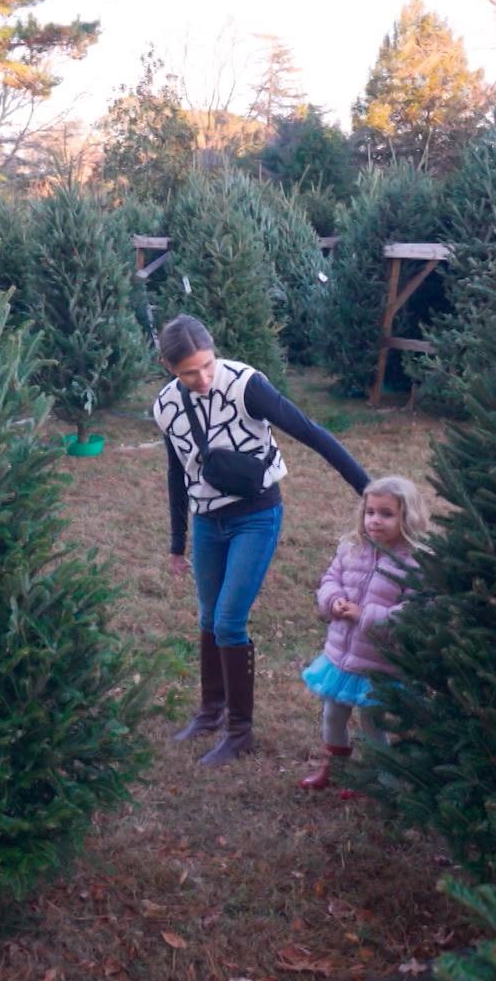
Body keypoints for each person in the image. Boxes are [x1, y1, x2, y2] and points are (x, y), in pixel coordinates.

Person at [152, 314, 371, 767]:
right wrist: (177, 542)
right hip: (207, 522)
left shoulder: (246, 385)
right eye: (189, 372)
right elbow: (177, 472)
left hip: (255, 515)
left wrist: (368, 491)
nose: (203, 378)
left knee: (229, 621)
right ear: (168, 367)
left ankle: (240, 732)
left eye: (208, 365)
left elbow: (310, 432)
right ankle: (210, 712)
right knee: (209, 618)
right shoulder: (167, 406)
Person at [298, 476, 428, 796]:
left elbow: (416, 611)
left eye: (386, 514)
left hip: (378, 663)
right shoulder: (352, 548)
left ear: (407, 517)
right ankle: (336, 768)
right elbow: (330, 579)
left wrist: (366, 615)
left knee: (372, 722)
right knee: (332, 715)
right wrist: (334, 600)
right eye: (370, 512)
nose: (375, 520)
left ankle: (378, 778)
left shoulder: (414, 563)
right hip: (341, 656)